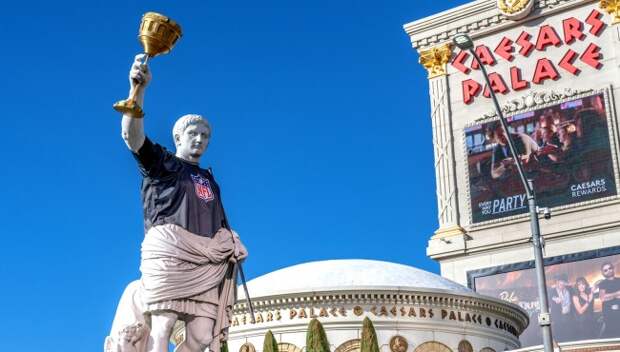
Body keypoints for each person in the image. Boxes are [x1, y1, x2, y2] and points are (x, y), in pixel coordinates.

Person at [114, 54, 248, 352]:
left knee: (201, 338)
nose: (200, 139)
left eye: (205, 136)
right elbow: (131, 137)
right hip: (171, 251)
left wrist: (232, 240)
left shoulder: (210, 179)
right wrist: (138, 89)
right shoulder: (162, 163)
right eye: (193, 134)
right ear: (178, 136)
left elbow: (218, 220)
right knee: (161, 328)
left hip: (205, 260)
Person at [550, 274, 574, 341]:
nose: (561, 284)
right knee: (559, 337)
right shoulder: (552, 291)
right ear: (556, 282)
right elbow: (551, 298)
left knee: (569, 336)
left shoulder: (569, 290)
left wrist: (568, 284)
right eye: (559, 282)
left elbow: (573, 287)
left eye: (563, 282)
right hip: (558, 319)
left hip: (569, 317)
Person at [598, 262, 620, 338]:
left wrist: (609, 296)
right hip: (609, 315)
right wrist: (617, 293)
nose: (609, 271)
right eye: (605, 270)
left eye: (610, 268)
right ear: (603, 273)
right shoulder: (602, 283)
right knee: (612, 335)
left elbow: (606, 297)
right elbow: (602, 298)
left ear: (613, 268)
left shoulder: (619, 280)